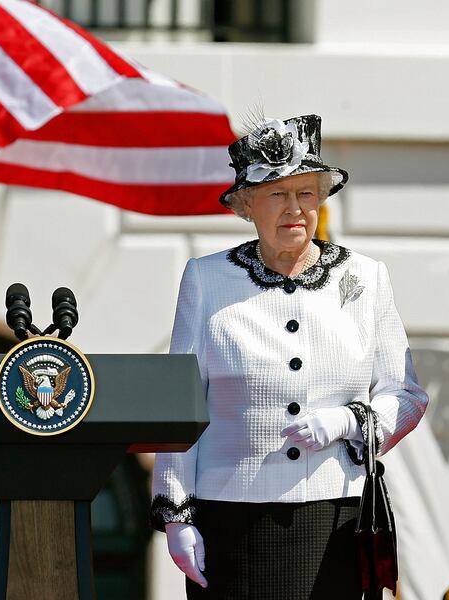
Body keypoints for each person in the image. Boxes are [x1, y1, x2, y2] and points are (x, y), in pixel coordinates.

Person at [150, 114, 428, 599]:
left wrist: (349, 420)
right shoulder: (206, 280)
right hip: (231, 518)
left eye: (305, 194)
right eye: (277, 194)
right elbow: (179, 404)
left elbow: (405, 395)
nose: (294, 209)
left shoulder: (366, 280)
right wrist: (177, 513)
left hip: (336, 516)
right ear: (246, 206)